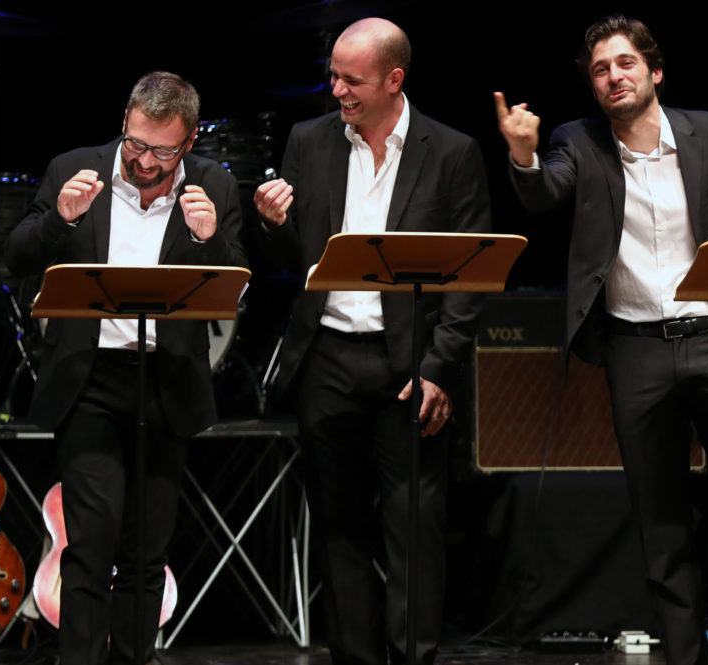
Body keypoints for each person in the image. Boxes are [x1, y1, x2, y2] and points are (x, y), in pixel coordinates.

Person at [495, 14, 708, 665]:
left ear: (654, 71)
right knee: (662, 528)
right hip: (636, 351)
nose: (613, 76)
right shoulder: (577, 141)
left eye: (624, 63)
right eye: (599, 69)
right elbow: (543, 193)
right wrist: (523, 154)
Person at [254, 17, 491, 665]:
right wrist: (274, 223)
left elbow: (471, 276)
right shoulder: (309, 141)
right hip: (326, 357)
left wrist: (441, 367)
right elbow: (291, 256)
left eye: (350, 79)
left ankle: (413, 657)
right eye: (332, 75)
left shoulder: (451, 152)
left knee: (414, 528)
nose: (336, 90)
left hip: (410, 365)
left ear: (394, 80)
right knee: (340, 529)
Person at [6, 71, 247, 665]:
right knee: (89, 546)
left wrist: (210, 238)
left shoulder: (213, 183)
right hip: (89, 381)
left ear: (188, 142)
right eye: (136, 144)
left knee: (146, 555)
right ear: (124, 122)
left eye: (162, 151)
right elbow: (16, 257)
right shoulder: (73, 168)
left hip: (166, 383)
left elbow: (234, 285)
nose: (143, 161)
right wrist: (58, 219)